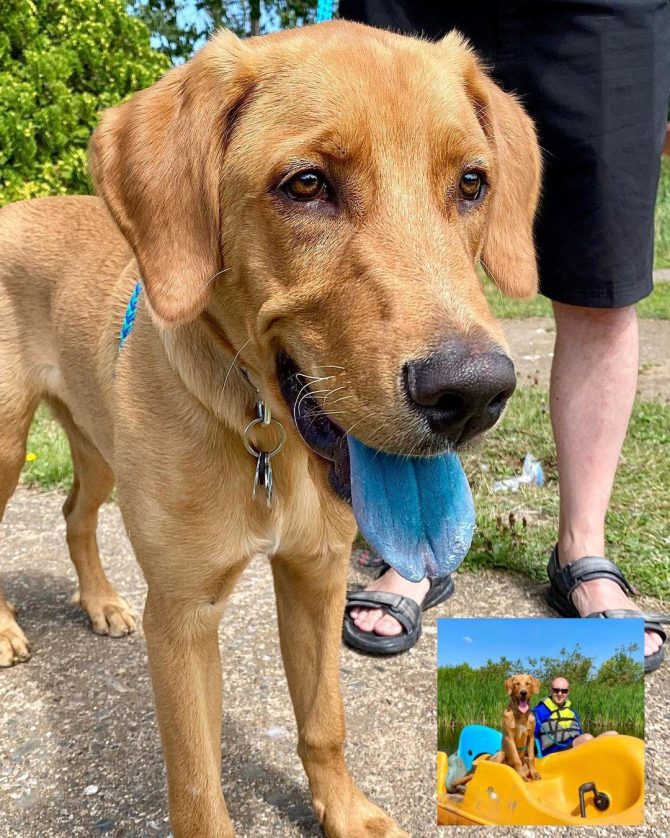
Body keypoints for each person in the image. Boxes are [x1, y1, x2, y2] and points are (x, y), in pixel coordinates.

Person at [339, 0, 670, 670]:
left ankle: (583, 545)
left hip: (604, 12)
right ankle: (410, 553)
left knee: (602, 284)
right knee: (401, 264)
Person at [534, 677, 617, 754]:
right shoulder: (538, 711)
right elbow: (529, 736)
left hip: (574, 751)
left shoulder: (573, 713)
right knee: (587, 738)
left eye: (564, 691)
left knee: (613, 734)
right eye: (556, 690)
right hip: (554, 755)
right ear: (551, 691)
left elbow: (579, 735)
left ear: (568, 692)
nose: (560, 693)